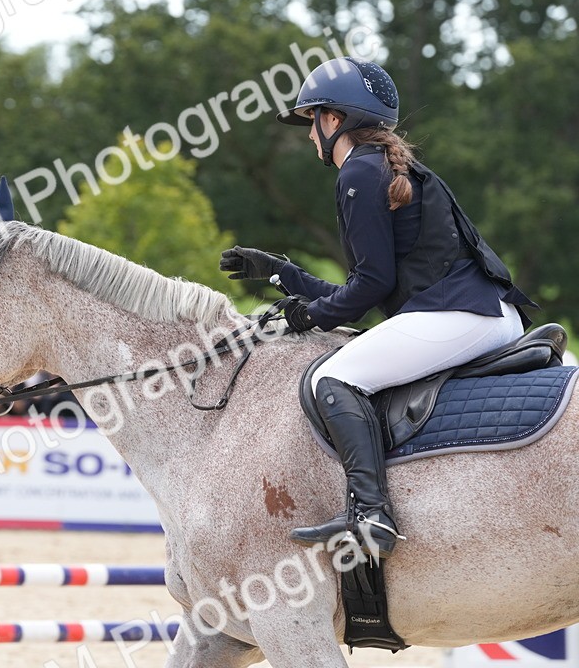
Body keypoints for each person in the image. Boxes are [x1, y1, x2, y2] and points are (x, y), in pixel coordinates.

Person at [220, 56, 534, 559]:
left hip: (456, 318)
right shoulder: (386, 167)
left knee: (334, 379)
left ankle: (371, 514)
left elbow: (368, 287)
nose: (308, 136)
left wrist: (309, 317)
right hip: (481, 316)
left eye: (311, 120)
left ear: (335, 120)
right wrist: (280, 272)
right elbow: (369, 287)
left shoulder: (358, 174)